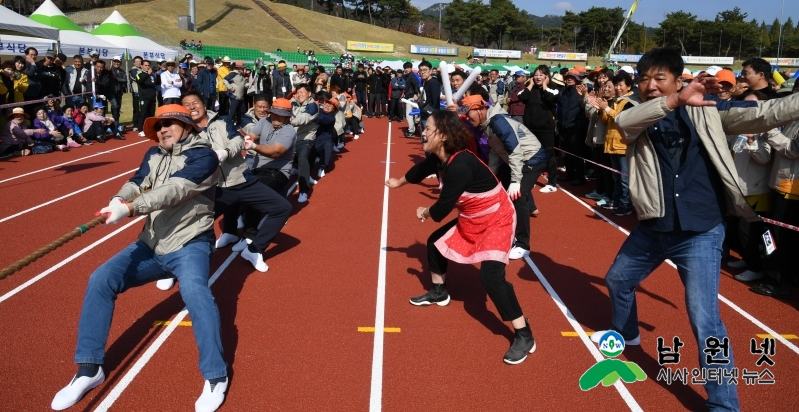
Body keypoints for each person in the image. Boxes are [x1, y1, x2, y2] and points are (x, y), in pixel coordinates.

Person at [592, 47, 799, 412]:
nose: (650, 86)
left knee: (705, 319)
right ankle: (627, 335)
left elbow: (768, 112)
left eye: (660, 79)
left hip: (701, 230)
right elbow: (624, 125)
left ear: (677, 77)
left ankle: (724, 405)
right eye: (644, 79)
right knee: (618, 281)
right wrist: (674, 99)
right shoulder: (638, 113)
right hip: (654, 227)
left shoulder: (709, 111)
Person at [50, 105, 228, 412]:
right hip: (151, 243)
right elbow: (138, 181)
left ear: (186, 125)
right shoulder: (154, 154)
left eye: (169, 123)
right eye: (158, 126)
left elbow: (176, 189)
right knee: (101, 279)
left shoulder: (204, 156)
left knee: (196, 293)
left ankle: (216, 375)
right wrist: (119, 198)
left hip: (190, 244)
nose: (162, 130)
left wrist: (131, 209)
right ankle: (89, 369)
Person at [385, 110, 537, 365]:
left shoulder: (460, 165)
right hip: (473, 217)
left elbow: (442, 208)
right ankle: (439, 291)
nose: (423, 132)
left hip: (496, 220)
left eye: (428, 128)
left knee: (490, 277)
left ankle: (524, 333)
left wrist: (424, 212)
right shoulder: (440, 157)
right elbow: (421, 169)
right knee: (435, 242)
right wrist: (398, 182)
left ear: (443, 136)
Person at [179, 92, 291, 273]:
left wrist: (225, 152)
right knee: (192, 226)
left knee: (282, 208)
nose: (192, 107)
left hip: (242, 180)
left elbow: (238, 140)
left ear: (203, 103)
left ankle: (254, 250)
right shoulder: (184, 132)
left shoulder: (223, 121)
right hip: (216, 188)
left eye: (195, 102)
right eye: (187, 105)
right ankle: (172, 267)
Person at [461, 92, 547, 259]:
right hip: (517, 159)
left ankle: (523, 244)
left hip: (533, 158)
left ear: (479, 109)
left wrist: (516, 180)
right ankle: (506, 228)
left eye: (467, 111)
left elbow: (515, 151)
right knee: (499, 188)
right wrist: (491, 174)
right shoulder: (487, 123)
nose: (466, 116)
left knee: (519, 196)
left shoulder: (498, 121)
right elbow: (495, 150)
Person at [135, 60, 157, 136]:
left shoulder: (152, 75)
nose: (147, 67)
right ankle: (140, 129)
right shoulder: (139, 74)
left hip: (152, 98)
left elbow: (156, 83)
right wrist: (147, 74)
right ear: (141, 66)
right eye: (145, 65)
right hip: (144, 98)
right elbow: (140, 81)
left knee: (151, 114)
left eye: (148, 65)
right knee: (143, 114)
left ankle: (150, 128)